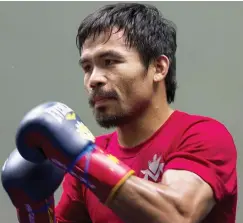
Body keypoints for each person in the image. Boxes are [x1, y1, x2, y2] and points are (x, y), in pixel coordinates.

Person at [2, 2, 237, 223]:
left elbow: (177, 215)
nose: (94, 79)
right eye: (87, 67)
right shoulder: (93, 154)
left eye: (110, 61)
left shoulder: (203, 135)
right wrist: (33, 208)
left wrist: (84, 159)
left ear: (158, 68)